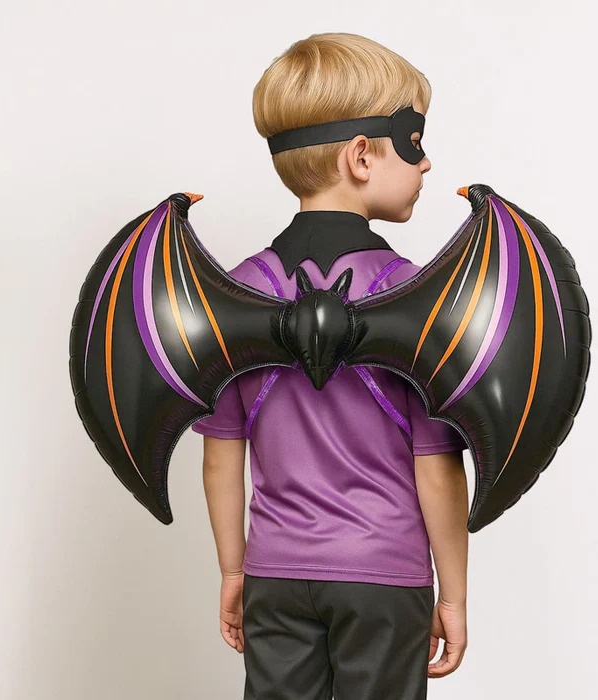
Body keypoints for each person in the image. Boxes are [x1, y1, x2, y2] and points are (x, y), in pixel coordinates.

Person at [193, 32, 470, 700]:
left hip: (276, 574)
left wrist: (234, 570)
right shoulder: (416, 298)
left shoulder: (234, 293)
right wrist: (453, 596)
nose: (427, 162)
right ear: (361, 155)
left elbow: (221, 457)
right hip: (384, 575)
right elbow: (436, 467)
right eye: (413, 143)